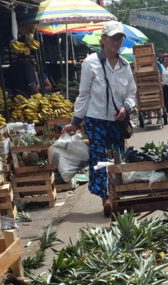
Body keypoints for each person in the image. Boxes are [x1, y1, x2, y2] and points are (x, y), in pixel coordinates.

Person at [63, 21, 137, 216]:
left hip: (117, 121)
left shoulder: (125, 65)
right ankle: (106, 198)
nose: (116, 42)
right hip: (95, 119)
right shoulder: (90, 63)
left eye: (119, 38)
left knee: (117, 157)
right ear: (103, 40)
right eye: (112, 38)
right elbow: (84, 94)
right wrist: (75, 122)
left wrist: (126, 107)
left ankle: (117, 194)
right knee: (99, 158)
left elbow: (131, 93)